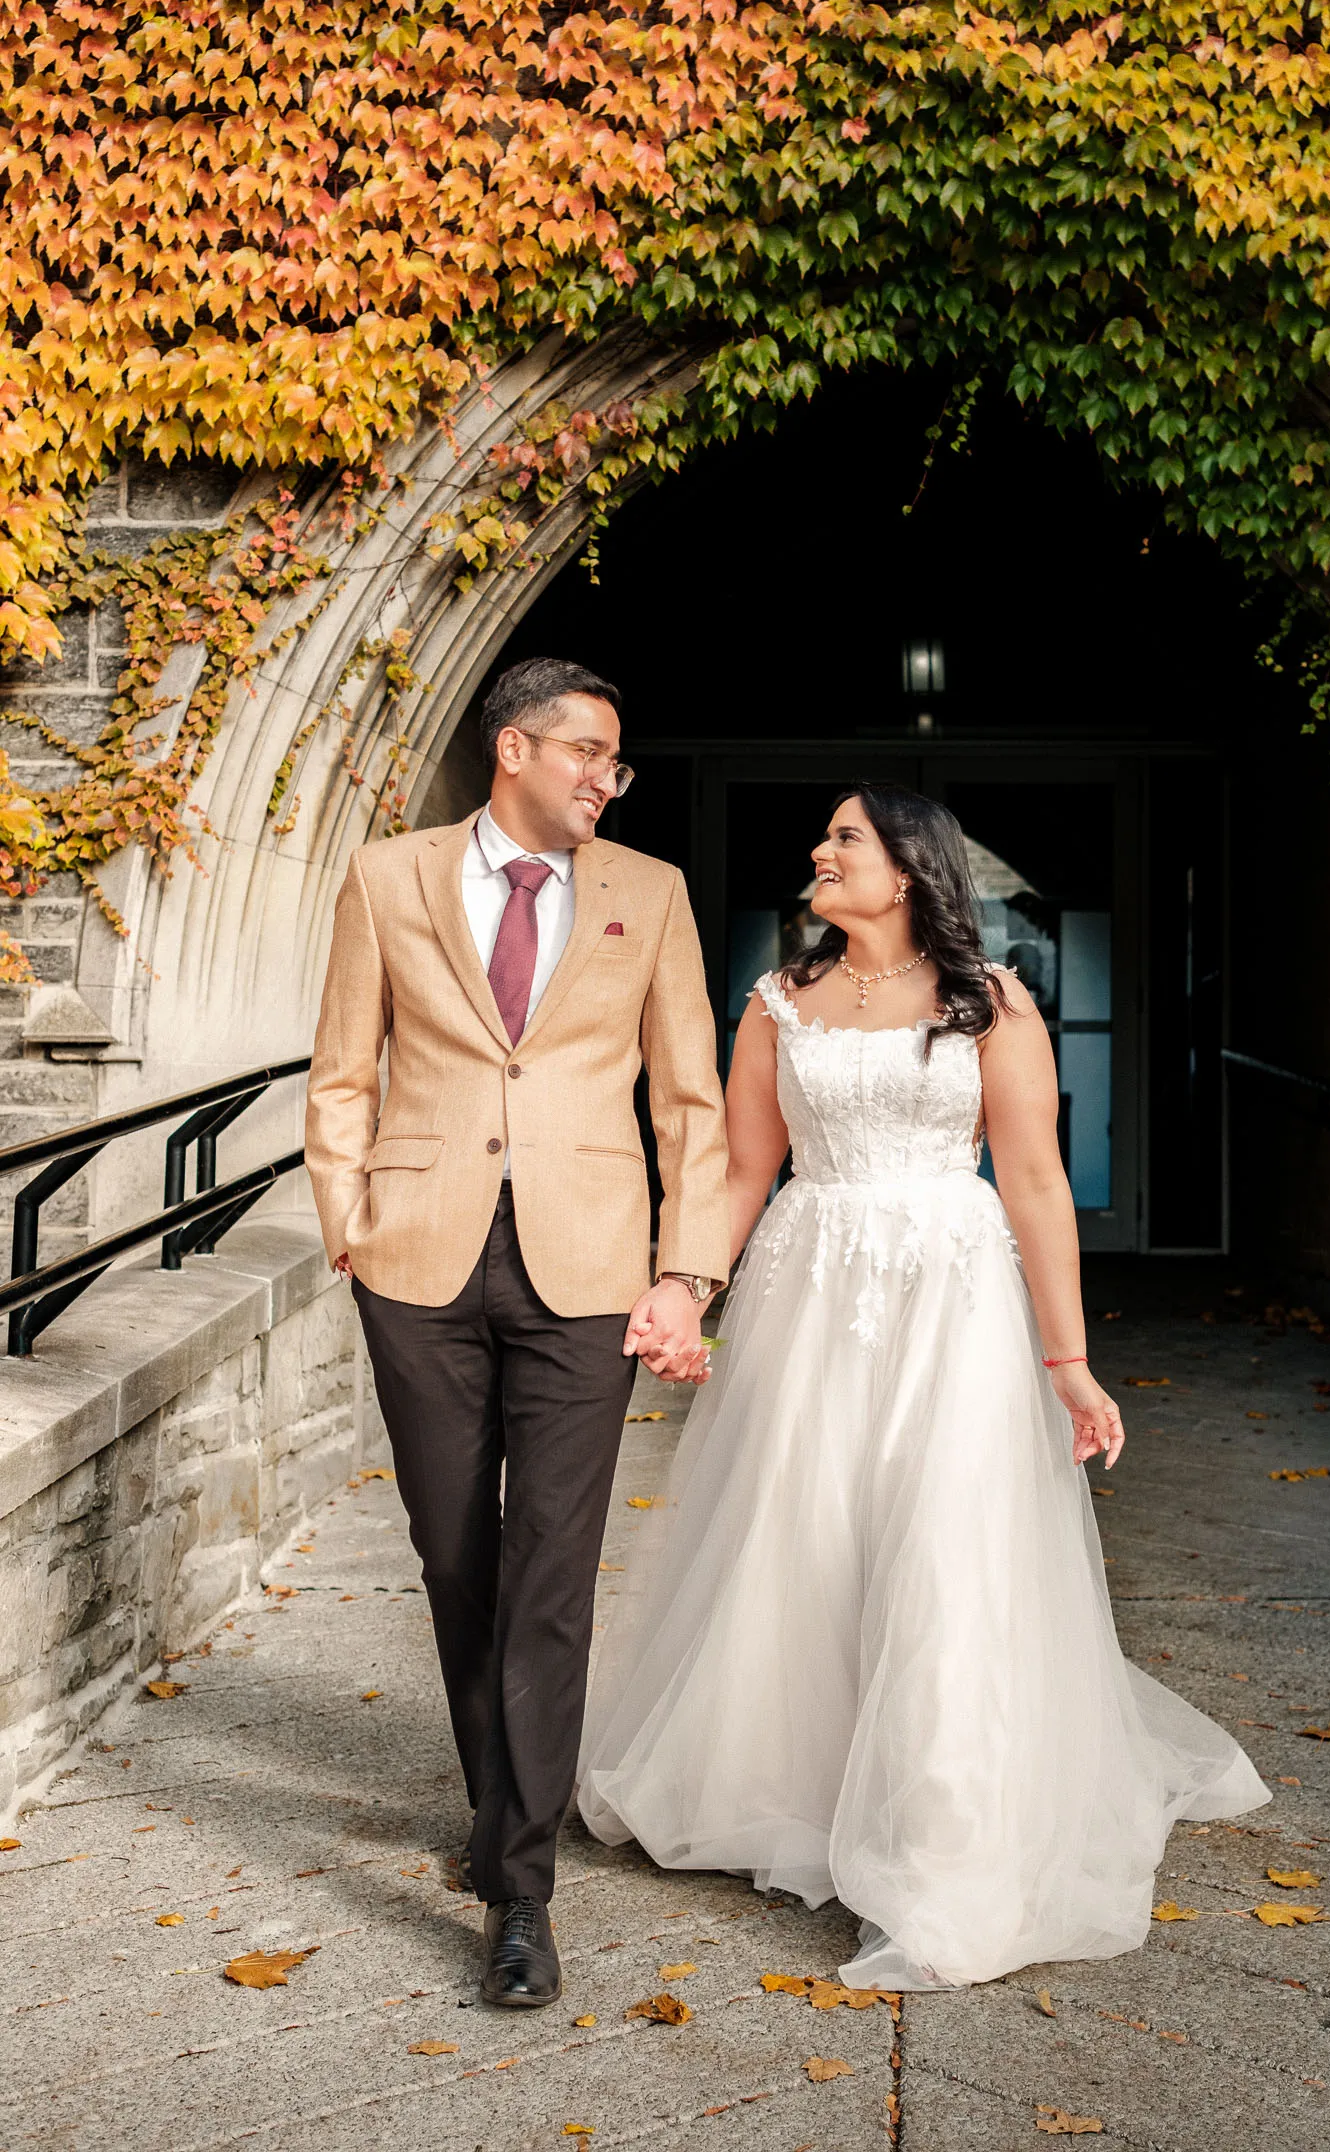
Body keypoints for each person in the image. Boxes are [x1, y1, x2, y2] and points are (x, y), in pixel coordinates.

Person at [578, 783, 1268, 1989]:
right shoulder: (776, 1007)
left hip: (950, 1295)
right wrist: (684, 1286)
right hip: (809, 1290)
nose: (819, 851)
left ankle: (939, 1827)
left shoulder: (990, 1004)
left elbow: (1039, 1184)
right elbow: (744, 1173)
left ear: (907, 869)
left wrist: (1068, 1362)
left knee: (939, 1542)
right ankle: (795, 1782)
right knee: (806, 1535)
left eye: (844, 836)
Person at [305, 656, 729, 2010]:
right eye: (589, 752)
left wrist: (686, 1273)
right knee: (454, 1555)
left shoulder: (650, 896)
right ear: (514, 749)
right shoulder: (389, 877)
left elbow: (691, 1103)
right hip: (418, 1257)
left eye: (617, 759)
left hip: (589, 1268)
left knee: (552, 1567)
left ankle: (520, 1889)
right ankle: (504, 1815)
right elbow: (343, 1071)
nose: (609, 777)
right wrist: (348, 1226)